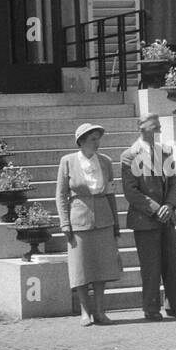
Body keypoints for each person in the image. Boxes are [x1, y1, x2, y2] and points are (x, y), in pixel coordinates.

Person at [121, 113, 176, 321]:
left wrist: (169, 205)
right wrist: (155, 208)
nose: (157, 130)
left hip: (166, 216)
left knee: (172, 262)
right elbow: (131, 191)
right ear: (141, 127)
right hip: (145, 218)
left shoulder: (165, 152)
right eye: (153, 126)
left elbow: (174, 182)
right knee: (151, 265)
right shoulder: (129, 156)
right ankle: (151, 307)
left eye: (158, 127)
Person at [56, 122, 123, 326]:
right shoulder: (67, 161)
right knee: (81, 269)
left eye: (98, 138)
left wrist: (116, 222)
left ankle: (100, 311)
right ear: (81, 141)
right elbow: (60, 194)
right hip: (79, 221)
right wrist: (65, 223)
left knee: (102, 268)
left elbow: (110, 193)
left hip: (103, 220)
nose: (97, 143)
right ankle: (85, 312)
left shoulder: (105, 161)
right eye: (93, 139)